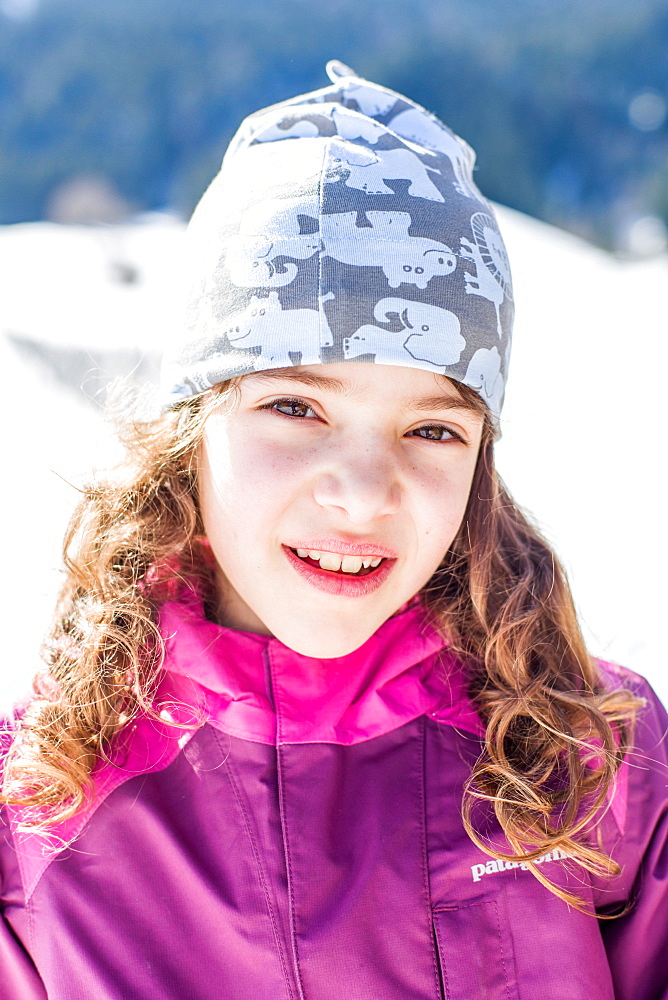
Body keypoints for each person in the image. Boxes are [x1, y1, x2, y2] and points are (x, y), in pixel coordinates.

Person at [1, 61, 666, 1000]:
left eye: (432, 429)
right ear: (191, 428)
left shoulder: (594, 760)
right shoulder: (38, 810)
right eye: (294, 408)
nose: (362, 494)